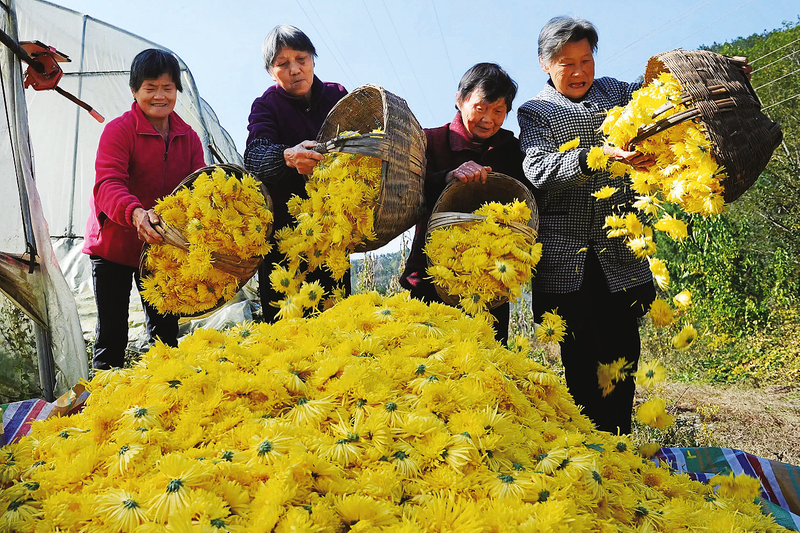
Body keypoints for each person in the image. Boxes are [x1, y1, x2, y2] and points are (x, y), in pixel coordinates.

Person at [517, 15, 657, 434]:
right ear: (544, 64)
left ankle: (621, 442)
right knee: (580, 357)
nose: (579, 72)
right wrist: (595, 157)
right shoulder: (535, 112)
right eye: (566, 63)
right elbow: (537, 168)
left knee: (623, 350)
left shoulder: (617, 92)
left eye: (585, 60)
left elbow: (661, 105)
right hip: (566, 260)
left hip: (619, 251)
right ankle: (592, 447)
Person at [83, 49, 205, 370]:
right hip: (114, 247)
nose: (159, 96)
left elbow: (200, 190)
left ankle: (166, 393)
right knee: (112, 334)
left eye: (167, 88)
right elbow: (107, 184)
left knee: (165, 334)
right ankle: (106, 397)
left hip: (162, 250)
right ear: (135, 91)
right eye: (150, 88)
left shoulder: (189, 138)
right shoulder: (119, 130)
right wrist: (136, 214)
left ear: (177, 90)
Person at [400, 62, 528, 344]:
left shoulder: (510, 150)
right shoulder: (429, 140)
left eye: (499, 111)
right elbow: (406, 193)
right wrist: (447, 176)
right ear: (460, 100)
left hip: (491, 279)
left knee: (488, 365)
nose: (489, 119)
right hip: (431, 276)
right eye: (481, 108)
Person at [244, 25, 350, 323]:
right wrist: (287, 157)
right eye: (282, 64)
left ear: (313, 60)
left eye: (301, 59)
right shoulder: (266, 106)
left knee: (337, 323)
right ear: (270, 71)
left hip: (332, 232)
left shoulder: (337, 95)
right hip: (283, 236)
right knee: (284, 330)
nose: (295, 70)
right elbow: (255, 157)